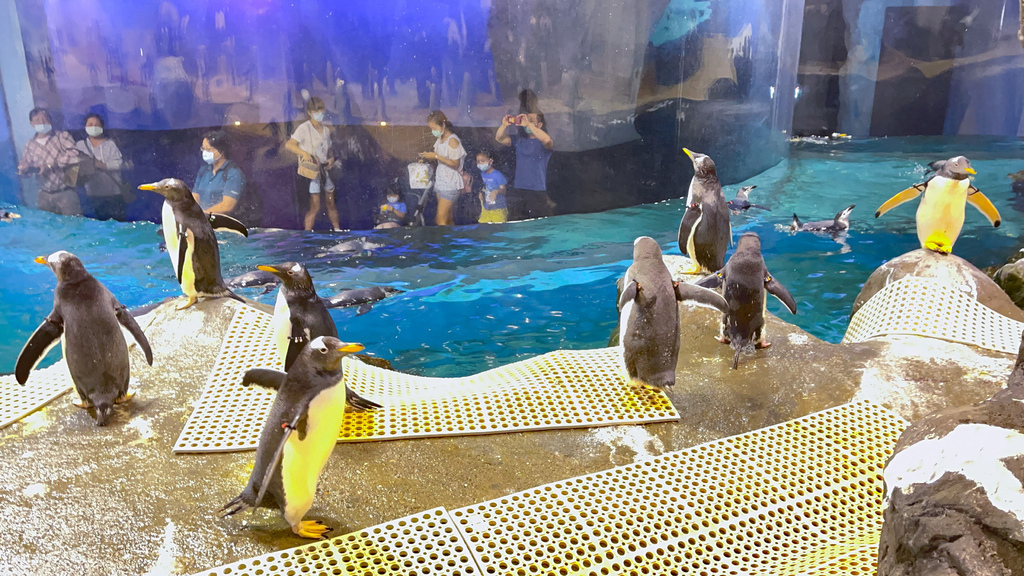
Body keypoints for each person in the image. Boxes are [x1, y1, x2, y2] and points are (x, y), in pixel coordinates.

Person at [286, 97, 341, 231]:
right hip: (311, 171)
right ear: (310, 112)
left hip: (324, 169)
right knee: (314, 205)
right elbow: (290, 145)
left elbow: (328, 149)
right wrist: (304, 153)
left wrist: (331, 159)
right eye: (316, 111)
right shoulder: (304, 128)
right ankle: (307, 233)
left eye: (321, 111)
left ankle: (337, 229)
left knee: (331, 202)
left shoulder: (326, 130)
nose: (320, 114)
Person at [16, 108, 83, 216]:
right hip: (44, 195)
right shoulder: (29, 145)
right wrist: (24, 168)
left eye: (44, 119)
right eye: (37, 120)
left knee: (74, 227)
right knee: (50, 228)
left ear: (50, 120)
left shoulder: (62, 137)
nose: (41, 123)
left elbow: (75, 156)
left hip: (66, 192)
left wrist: (50, 164)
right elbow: (26, 174)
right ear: (31, 123)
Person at [495, 110, 555, 219]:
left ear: (539, 125)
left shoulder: (542, 141)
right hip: (519, 189)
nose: (527, 122)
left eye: (531, 120)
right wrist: (504, 125)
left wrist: (529, 125)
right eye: (526, 119)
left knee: (538, 224)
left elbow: (547, 140)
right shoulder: (519, 140)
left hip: (537, 190)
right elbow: (499, 138)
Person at [75, 113, 127, 220]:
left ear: (102, 127)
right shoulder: (80, 145)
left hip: (113, 193)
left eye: (96, 124)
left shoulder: (110, 144)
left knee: (118, 224)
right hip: (93, 194)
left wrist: (103, 165)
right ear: (85, 127)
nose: (93, 127)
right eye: (90, 124)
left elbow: (118, 163)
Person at [418, 110, 466, 226]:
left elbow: (455, 164)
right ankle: (451, 240)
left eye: (434, 128)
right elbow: (439, 157)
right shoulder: (440, 139)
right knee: (447, 218)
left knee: (440, 219)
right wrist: (427, 157)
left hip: (450, 184)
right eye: (431, 129)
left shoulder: (453, 141)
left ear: (443, 125)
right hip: (441, 182)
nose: (432, 131)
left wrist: (435, 156)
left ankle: (444, 242)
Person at [192, 130, 244, 214]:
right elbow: (195, 196)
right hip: (202, 221)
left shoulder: (233, 173)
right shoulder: (203, 171)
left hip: (222, 223)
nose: (205, 152)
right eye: (203, 149)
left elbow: (227, 205)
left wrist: (203, 215)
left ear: (221, 151)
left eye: (208, 149)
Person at [476, 149, 508, 224]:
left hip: (498, 208)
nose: (480, 163)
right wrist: (481, 192)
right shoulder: (482, 173)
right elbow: (486, 186)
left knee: (498, 228)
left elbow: (504, 190)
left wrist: (496, 191)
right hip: (486, 207)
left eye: (482, 161)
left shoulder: (497, 175)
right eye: (478, 161)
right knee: (483, 227)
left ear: (490, 161)